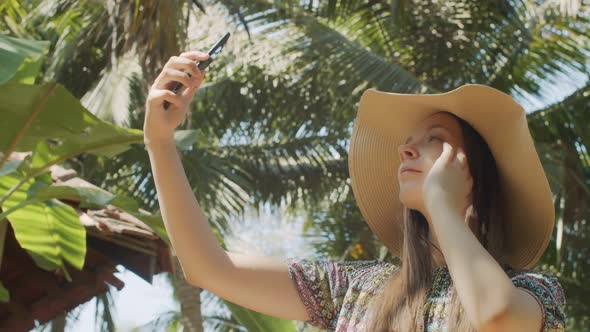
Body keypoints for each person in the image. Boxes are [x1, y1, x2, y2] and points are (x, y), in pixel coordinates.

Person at [143, 51, 566, 332]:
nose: (406, 148)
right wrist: (160, 143)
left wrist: (442, 206)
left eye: (433, 138)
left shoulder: (536, 292)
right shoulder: (355, 289)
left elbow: (497, 317)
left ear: (474, 174)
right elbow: (208, 269)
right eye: (409, 140)